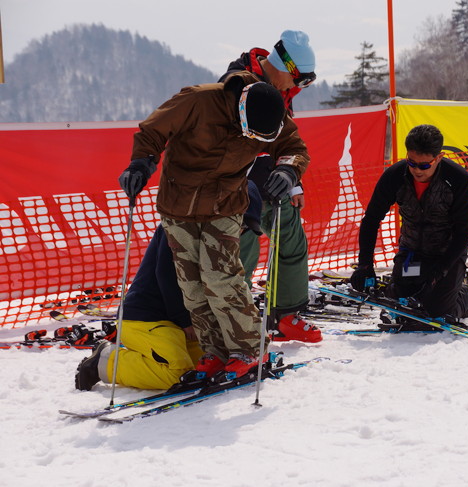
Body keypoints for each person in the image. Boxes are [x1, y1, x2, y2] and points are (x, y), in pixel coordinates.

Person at [117, 74, 310, 381]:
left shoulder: (272, 112)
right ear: (241, 108)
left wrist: (288, 170)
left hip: (226, 203)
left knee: (220, 277)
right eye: (252, 132)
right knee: (192, 286)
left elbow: (294, 147)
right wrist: (141, 162)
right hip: (179, 205)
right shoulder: (198, 100)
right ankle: (216, 350)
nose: (254, 139)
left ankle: (249, 347)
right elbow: (153, 130)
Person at [74, 185, 263, 391]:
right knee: (177, 374)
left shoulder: (217, 236)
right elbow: (166, 273)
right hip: (145, 318)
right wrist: (184, 319)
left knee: (206, 367)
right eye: (240, 225)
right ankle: (104, 362)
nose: (240, 231)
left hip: (178, 324)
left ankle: (145, 355)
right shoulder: (181, 225)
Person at [220, 30, 321, 343]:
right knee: (242, 258)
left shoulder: (283, 91)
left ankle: (284, 316)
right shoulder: (239, 83)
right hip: (241, 189)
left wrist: (292, 182)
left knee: (292, 242)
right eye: (298, 80)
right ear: (286, 68)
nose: (297, 87)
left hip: (273, 184)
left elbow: (287, 142)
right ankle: (235, 327)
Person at [350, 124, 468, 322]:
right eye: (412, 162)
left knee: (437, 313)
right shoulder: (395, 176)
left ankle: (462, 295)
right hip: (412, 253)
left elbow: (465, 230)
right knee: (398, 307)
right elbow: (371, 220)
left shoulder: (458, 179)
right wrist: (365, 264)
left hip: (447, 254)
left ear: (439, 158)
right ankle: (412, 287)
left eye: (424, 165)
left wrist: (443, 267)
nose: (417, 170)